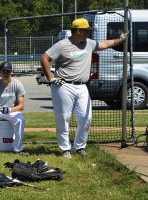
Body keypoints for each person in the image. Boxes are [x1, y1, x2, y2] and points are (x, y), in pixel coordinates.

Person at [40, 18, 127, 158]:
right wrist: (51, 78)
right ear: (79, 31)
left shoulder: (89, 43)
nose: (89, 33)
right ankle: (65, 149)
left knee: (86, 118)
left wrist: (120, 39)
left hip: (82, 86)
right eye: (86, 30)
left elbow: (105, 44)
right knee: (63, 118)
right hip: (64, 86)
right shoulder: (62, 45)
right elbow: (44, 58)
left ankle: (79, 147)